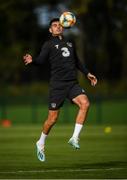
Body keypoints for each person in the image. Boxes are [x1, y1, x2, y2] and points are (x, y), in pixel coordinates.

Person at [23, 18, 97, 162]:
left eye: (59, 25)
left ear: (63, 27)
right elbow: (41, 60)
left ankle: (75, 138)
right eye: (54, 26)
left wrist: (88, 74)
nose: (57, 27)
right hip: (57, 86)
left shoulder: (70, 43)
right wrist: (33, 61)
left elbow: (77, 62)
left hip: (72, 84)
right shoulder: (48, 44)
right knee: (52, 119)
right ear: (50, 30)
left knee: (85, 103)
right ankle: (41, 142)